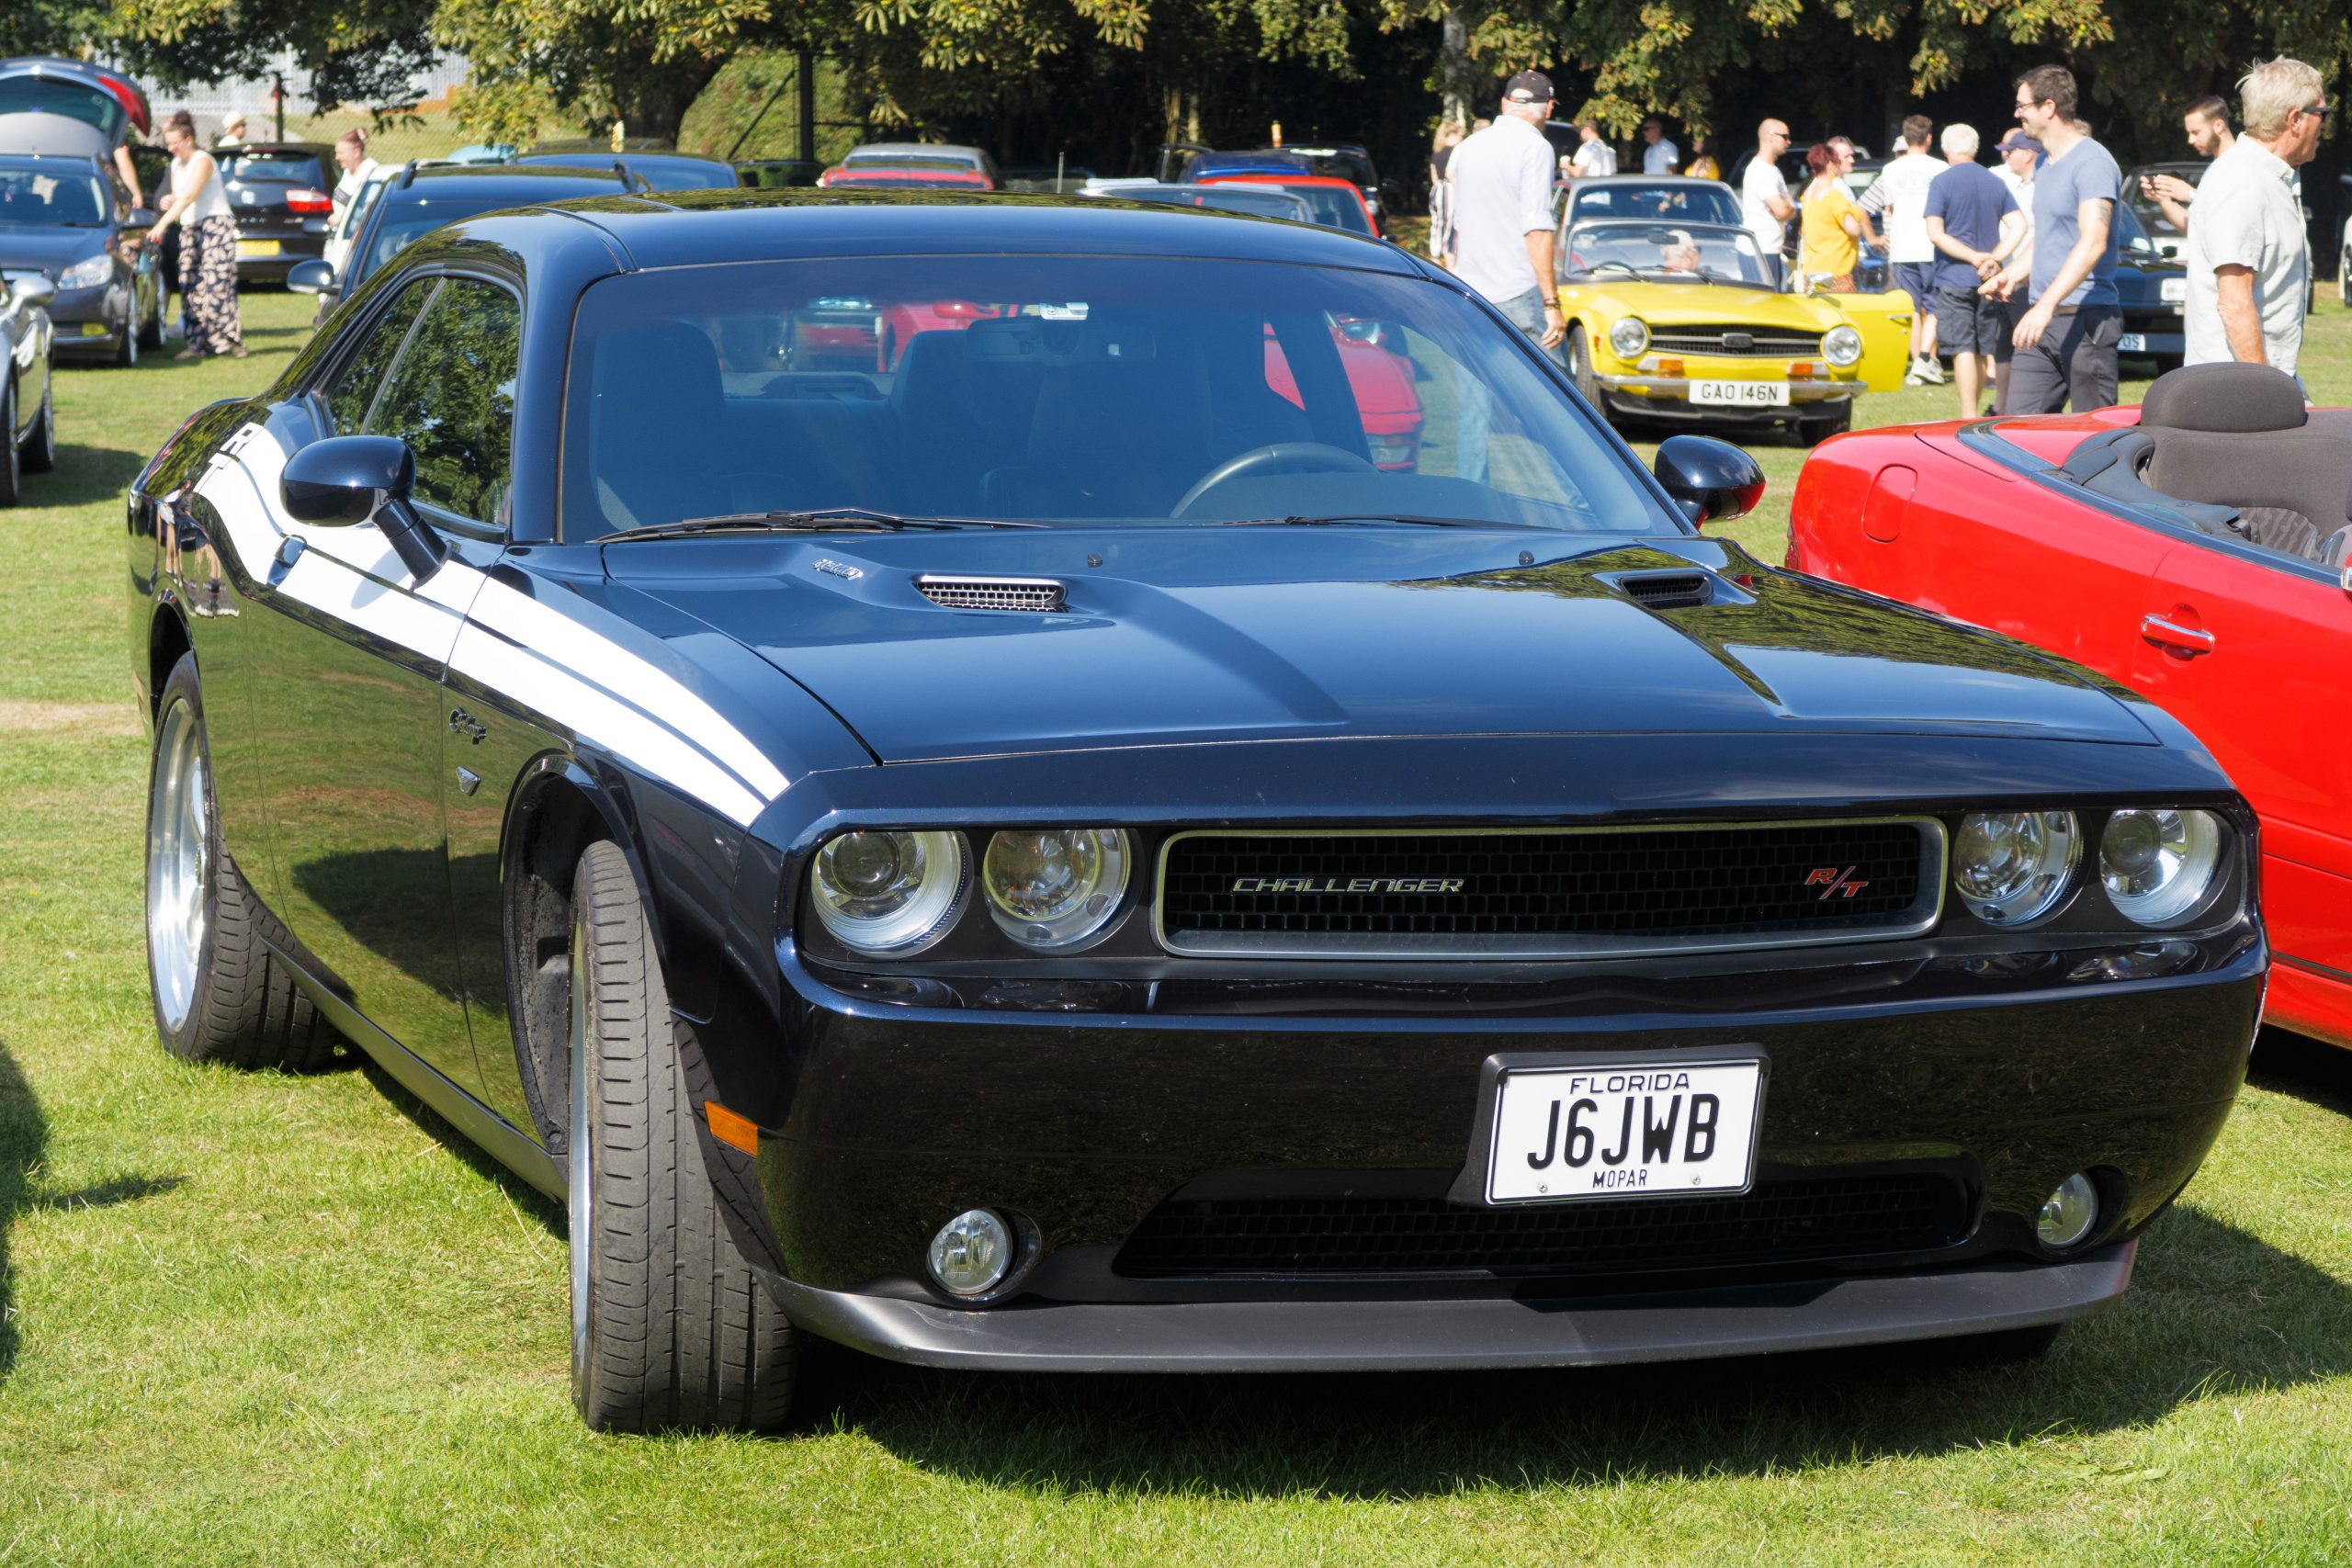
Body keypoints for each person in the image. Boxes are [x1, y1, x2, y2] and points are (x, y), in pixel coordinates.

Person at [1984, 65, 2122, 414]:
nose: (2017, 115)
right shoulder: (2045, 162)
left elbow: (2093, 242)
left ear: (2048, 107)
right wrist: (2011, 274)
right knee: (2015, 434)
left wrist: (2045, 305)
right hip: (2040, 325)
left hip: (2086, 322)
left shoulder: (2093, 162)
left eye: (2022, 106)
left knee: (2096, 442)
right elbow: (2049, 237)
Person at [2184, 58, 2327, 378]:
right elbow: (2233, 304)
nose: (2326, 125)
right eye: (2322, 114)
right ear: (2295, 119)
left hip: (2257, 384)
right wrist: (2266, 394)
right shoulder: (2242, 181)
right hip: (2234, 394)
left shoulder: (2268, 177)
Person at [1924, 123, 2024, 417]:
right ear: (1975, 148)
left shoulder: (1941, 182)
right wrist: (1994, 258)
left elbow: (1935, 233)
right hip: (1990, 281)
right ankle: (1976, 413)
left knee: (1963, 348)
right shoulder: (1994, 181)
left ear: (1945, 150)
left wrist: (1974, 257)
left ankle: (1967, 415)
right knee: (1983, 349)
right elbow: (2019, 225)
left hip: (1954, 278)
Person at [148, 113, 244, 360]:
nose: (171, 149)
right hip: (190, 226)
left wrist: (162, 225)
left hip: (215, 224)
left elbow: (190, 195)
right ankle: (196, 345)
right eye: (168, 144)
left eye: (174, 144)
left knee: (217, 283)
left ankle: (228, 342)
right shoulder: (175, 166)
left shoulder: (203, 161)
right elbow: (179, 197)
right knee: (190, 283)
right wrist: (167, 201)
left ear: (188, 140)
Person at [1863, 114, 1948, 383]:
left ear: (1906, 137)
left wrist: (1877, 237)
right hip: (1932, 244)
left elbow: (1888, 207)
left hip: (1901, 246)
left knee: (1910, 309)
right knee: (1935, 307)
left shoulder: (1891, 169)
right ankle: (1924, 359)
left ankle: (1917, 366)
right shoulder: (1941, 168)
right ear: (1929, 138)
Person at [1986, 130, 2039, 411]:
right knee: (2005, 345)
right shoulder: (2013, 183)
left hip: (2029, 280)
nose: (2006, 155)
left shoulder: (2041, 186)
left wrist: (2027, 272)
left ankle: (2023, 407)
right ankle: (2001, 407)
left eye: (2012, 150)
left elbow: (2041, 235)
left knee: (2026, 345)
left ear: (2029, 153)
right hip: (2008, 278)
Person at [2141, 96, 2234, 239]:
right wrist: (2163, 198)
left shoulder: (2242, 165)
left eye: (2196, 132)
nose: (2190, 140)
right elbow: (2193, 230)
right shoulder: (2214, 169)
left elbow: (2234, 220)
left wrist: (2190, 194)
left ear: (2219, 126)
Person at [1797, 140, 1879, 291]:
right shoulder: (1833, 195)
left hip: (1814, 268)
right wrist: (1861, 225)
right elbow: (1853, 229)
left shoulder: (1809, 193)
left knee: (1821, 309)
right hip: (1836, 271)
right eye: (1836, 161)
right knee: (1840, 312)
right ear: (1829, 163)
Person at [1741, 118, 1795, 285]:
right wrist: (1786, 209)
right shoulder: (1759, 171)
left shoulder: (1774, 171)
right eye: (1785, 137)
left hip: (1771, 248)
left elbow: (1790, 208)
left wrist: (1787, 209)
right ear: (1771, 137)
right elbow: (1783, 211)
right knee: (1764, 304)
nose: (1789, 141)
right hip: (1760, 249)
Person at [330, 129, 384, 232]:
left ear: (356, 152)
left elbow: (369, 213)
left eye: (341, 153)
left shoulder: (371, 173)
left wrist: (341, 220)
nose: (337, 157)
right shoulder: (347, 172)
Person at [1429, 123, 1464, 267]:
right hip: (1448, 190)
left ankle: (1434, 255)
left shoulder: (1437, 150)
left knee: (1436, 223)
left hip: (1436, 188)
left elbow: (1434, 175)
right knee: (1448, 225)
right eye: (1460, 135)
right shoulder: (1455, 151)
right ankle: (1446, 255)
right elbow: (1451, 174)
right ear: (1452, 134)